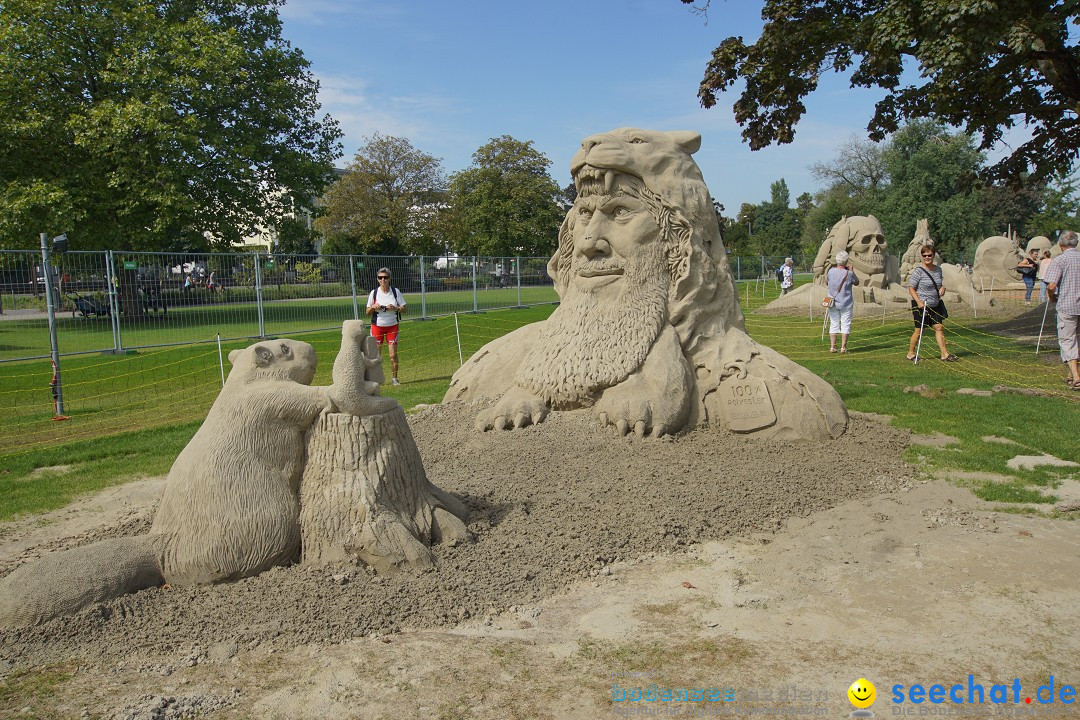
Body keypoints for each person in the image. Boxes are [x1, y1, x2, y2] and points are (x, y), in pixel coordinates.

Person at [907, 245, 957, 362]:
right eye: (925, 256)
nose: (927, 257)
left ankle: (944, 353)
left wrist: (942, 288)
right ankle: (911, 353)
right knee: (919, 330)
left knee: (939, 327)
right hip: (921, 304)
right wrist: (919, 302)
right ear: (922, 257)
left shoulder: (938, 269)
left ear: (933, 255)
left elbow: (939, 283)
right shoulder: (918, 271)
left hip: (935, 304)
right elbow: (911, 288)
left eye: (929, 255)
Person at [1045, 230, 1080, 388]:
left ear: (1060, 245)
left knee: (1067, 340)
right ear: (1076, 244)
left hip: (1067, 305)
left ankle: (1076, 376)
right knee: (1077, 340)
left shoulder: (1059, 260)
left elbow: (1051, 285)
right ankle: (1071, 374)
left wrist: (1051, 296)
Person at [366, 267, 406, 385]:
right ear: (377, 279)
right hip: (377, 326)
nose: (383, 280)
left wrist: (395, 308)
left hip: (392, 326)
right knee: (376, 356)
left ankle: (394, 378)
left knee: (393, 355)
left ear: (390, 279)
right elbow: (367, 312)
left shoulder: (395, 292)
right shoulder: (374, 293)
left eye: (385, 277)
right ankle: (375, 379)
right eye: (380, 278)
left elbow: (404, 308)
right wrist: (373, 307)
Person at [826, 250, 860, 353]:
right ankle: (843, 347)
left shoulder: (831, 271)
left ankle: (833, 347)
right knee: (845, 323)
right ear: (846, 261)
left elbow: (826, 282)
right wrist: (852, 271)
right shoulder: (849, 274)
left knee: (834, 323)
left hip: (833, 301)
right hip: (846, 302)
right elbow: (857, 282)